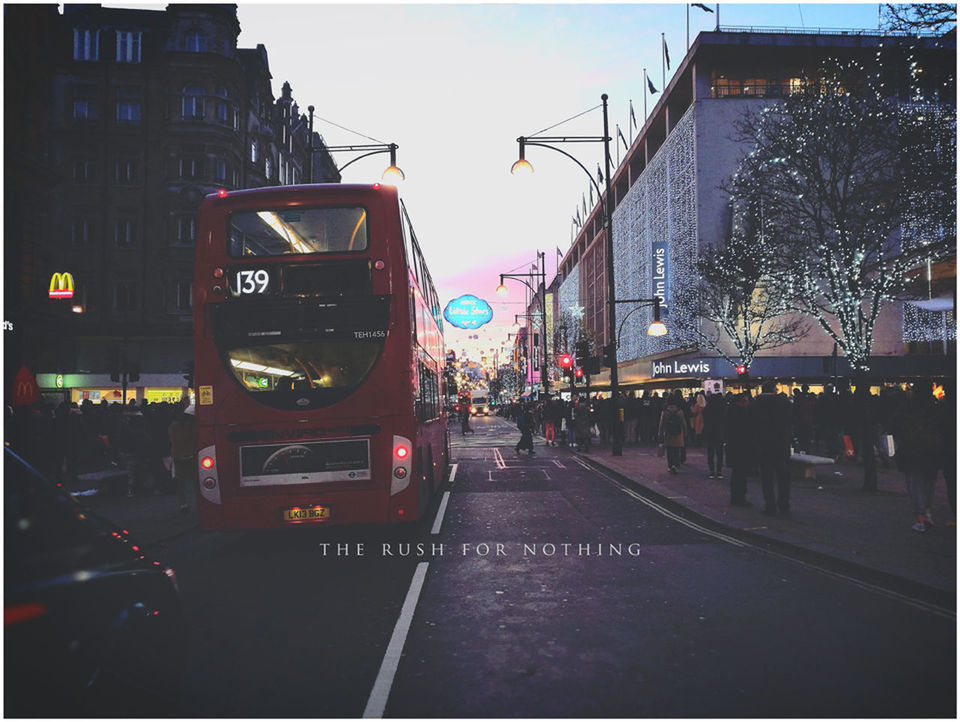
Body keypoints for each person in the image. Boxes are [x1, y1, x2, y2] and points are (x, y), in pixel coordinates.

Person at [892, 390, 943, 532]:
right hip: (931, 452)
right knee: (929, 485)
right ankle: (927, 513)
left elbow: (895, 426)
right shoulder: (936, 410)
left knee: (915, 485)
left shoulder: (906, 410)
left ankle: (920, 518)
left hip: (913, 451)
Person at [752, 381, 793, 515]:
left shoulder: (756, 404)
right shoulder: (784, 403)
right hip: (781, 444)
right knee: (783, 478)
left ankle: (770, 505)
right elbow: (792, 421)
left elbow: (752, 426)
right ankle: (784, 505)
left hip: (764, 446)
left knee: (767, 478)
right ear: (774, 390)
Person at [167, 401, 197, 512]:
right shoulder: (193, 427)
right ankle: (199, 502)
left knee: (180, 483)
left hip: (178, 457)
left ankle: (183, 504)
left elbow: (172, 440)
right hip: (191, 456)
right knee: (195, 482)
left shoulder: (173, 426)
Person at [725, 393, 754, 506]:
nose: (747, 403)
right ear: (739, 402)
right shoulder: (739, 413)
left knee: (738, 474)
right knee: (740, 474)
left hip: (735, 447)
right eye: (745, 401)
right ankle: (739, 498)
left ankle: (737, 497)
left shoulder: (731, 411)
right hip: (740, 447)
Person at [658, 395, 687, 474]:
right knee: (676, 450)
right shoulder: (679, 411)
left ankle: (670, 465)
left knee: (669, 450)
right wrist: (685, 432)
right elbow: (683, 423)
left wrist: (660, 433)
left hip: (668, 433)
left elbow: (661, 424)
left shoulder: (665, 412)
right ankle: (676, 464)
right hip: (678, 434)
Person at [702, 392, 726, 479]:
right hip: (719, 431)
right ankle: (719, 471)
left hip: (709, 432)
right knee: (719, 452)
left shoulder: (706, 409)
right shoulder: (722, 409)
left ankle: (711, 470)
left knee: (710, 452)